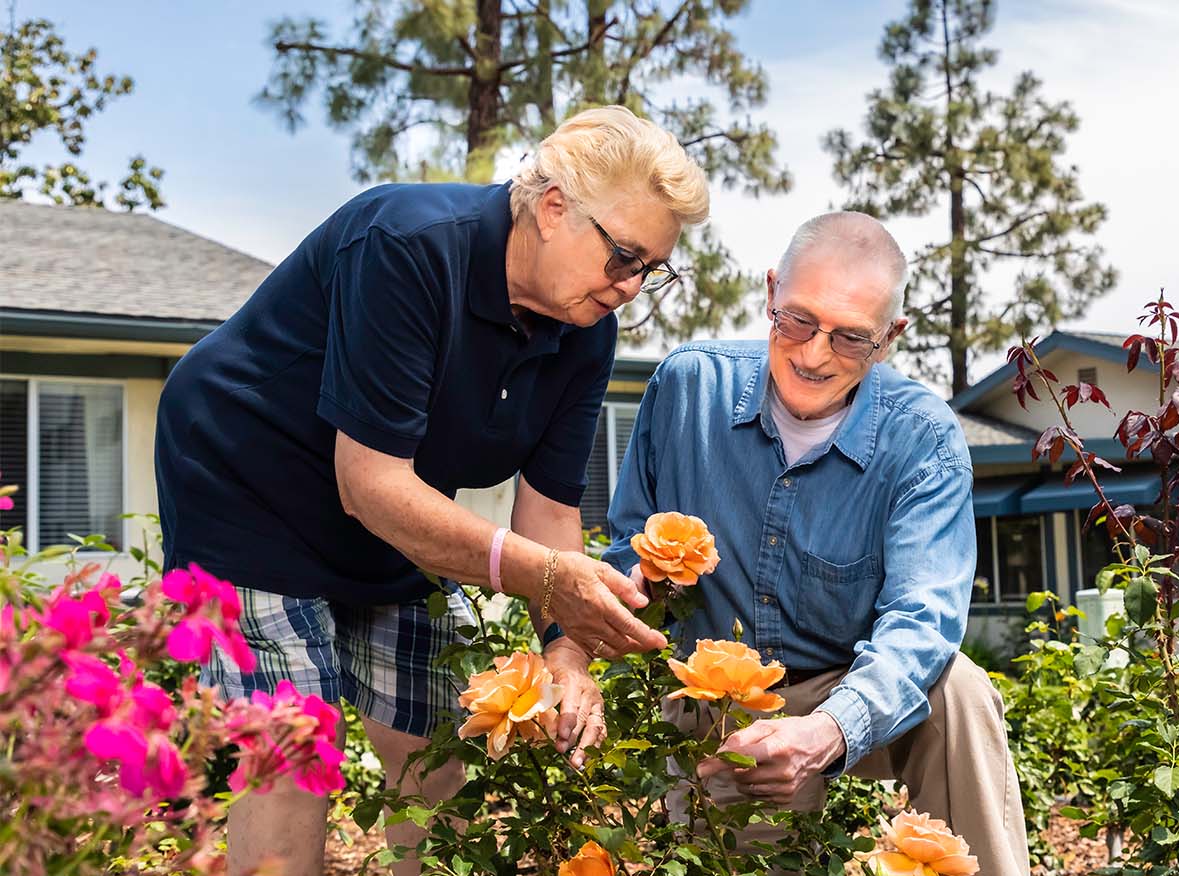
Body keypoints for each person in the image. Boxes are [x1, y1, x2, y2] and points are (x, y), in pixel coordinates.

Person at [154, 106, 707, 876]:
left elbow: (547, 510)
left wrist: (567, 651)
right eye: (624, 257)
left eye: (652, 268)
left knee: (437, 749)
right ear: (553, 209)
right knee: (295, 754)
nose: (631, 287)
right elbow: (371, 482)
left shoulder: (587, 330)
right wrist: (549, 579)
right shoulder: (407, 246)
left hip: (390, 515)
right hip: (246, 484)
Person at [598, 212, 1030, 875]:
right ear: (771, 292)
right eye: (795, 320)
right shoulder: (687, 387)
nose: (813, 353)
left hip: (845, 689)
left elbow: (923, 623)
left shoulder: (922, 438)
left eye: (851, 337)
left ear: (890, 337)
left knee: (959, 691)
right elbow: (628, 540)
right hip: (719, 703)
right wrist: (636, 580)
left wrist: (826, 731)